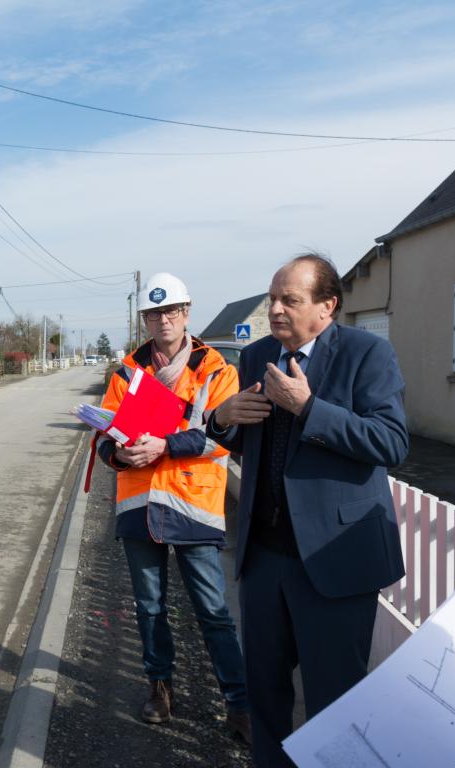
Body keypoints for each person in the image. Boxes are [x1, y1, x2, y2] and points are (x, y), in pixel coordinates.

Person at [207, 254, 408, 767]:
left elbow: (391, 442)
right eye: (272, 297)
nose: (274, 309)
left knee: (334, 704)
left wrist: (310, 408)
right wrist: (221, 420)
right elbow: (247, 443)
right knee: (266, 696)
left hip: (335, 565)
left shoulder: (368, 353)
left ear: (327, 306)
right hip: (264, 559)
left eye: (289, 300)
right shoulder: (253, 358)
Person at [96, 272, 251, 742]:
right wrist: (117, 452)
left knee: (213, 610)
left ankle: (238, 703)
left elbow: (223, 438)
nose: (163, 320)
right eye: (154, 313)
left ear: (186, 313)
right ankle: (159, 689)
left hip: (193, 506)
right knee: (149, 607)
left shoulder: (217, 369)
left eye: (171, 311)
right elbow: (104, 434)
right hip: (139, 506)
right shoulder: (126, 373)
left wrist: (162, 446)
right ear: (144, 319)